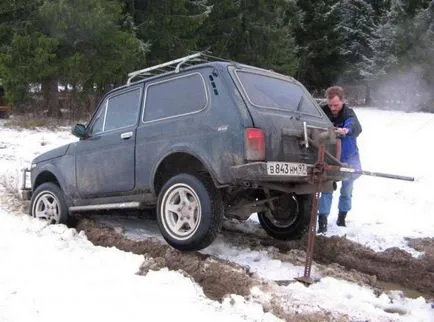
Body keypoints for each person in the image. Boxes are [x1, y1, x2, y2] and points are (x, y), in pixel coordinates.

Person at [318, 86, 362, 233]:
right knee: (326, 189)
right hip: (329, 157)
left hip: (348, 156)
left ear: (343, 101)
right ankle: (322, 221)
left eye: (336, 105)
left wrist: (346, 130)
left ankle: (341, 219)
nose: (333, 108)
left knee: (347, 189)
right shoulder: (322, 111)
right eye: (330, 105)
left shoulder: (348, 113)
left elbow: (354, 126)